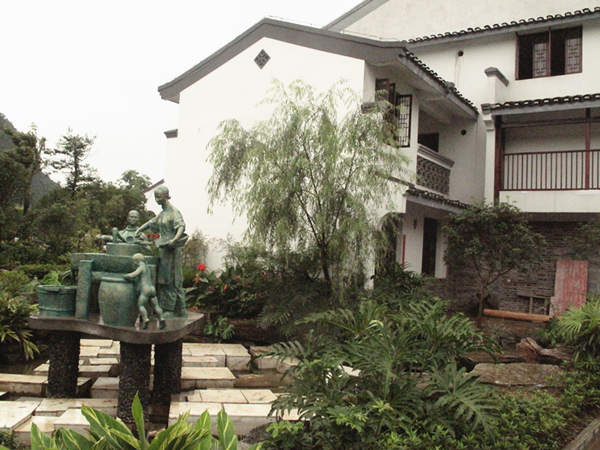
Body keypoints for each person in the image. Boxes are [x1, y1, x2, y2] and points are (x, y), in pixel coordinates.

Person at [135, 186, 188, 316]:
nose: (157, 200)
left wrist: (174, 240)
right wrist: (139, 230)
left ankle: (172, 309)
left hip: (172, 249)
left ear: (165, 196)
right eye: (155, 197)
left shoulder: (173, 211)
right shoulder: (163, 213)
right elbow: (151, 222)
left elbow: (181, 226)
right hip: (163, 248)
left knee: (172, 278)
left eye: (159, 197)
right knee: (164, 278)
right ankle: (172, 308)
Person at [124, 253, 166, 329]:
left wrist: (125, 276)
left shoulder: (141, 267)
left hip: (145, 289)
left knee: (141, 305)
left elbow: (133, 275)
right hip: (152, 288)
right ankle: (162, 319)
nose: (134, 263)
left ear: (137, 261)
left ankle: (145, 320)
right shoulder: (147, 267)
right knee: (156, 305)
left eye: (134, 261)